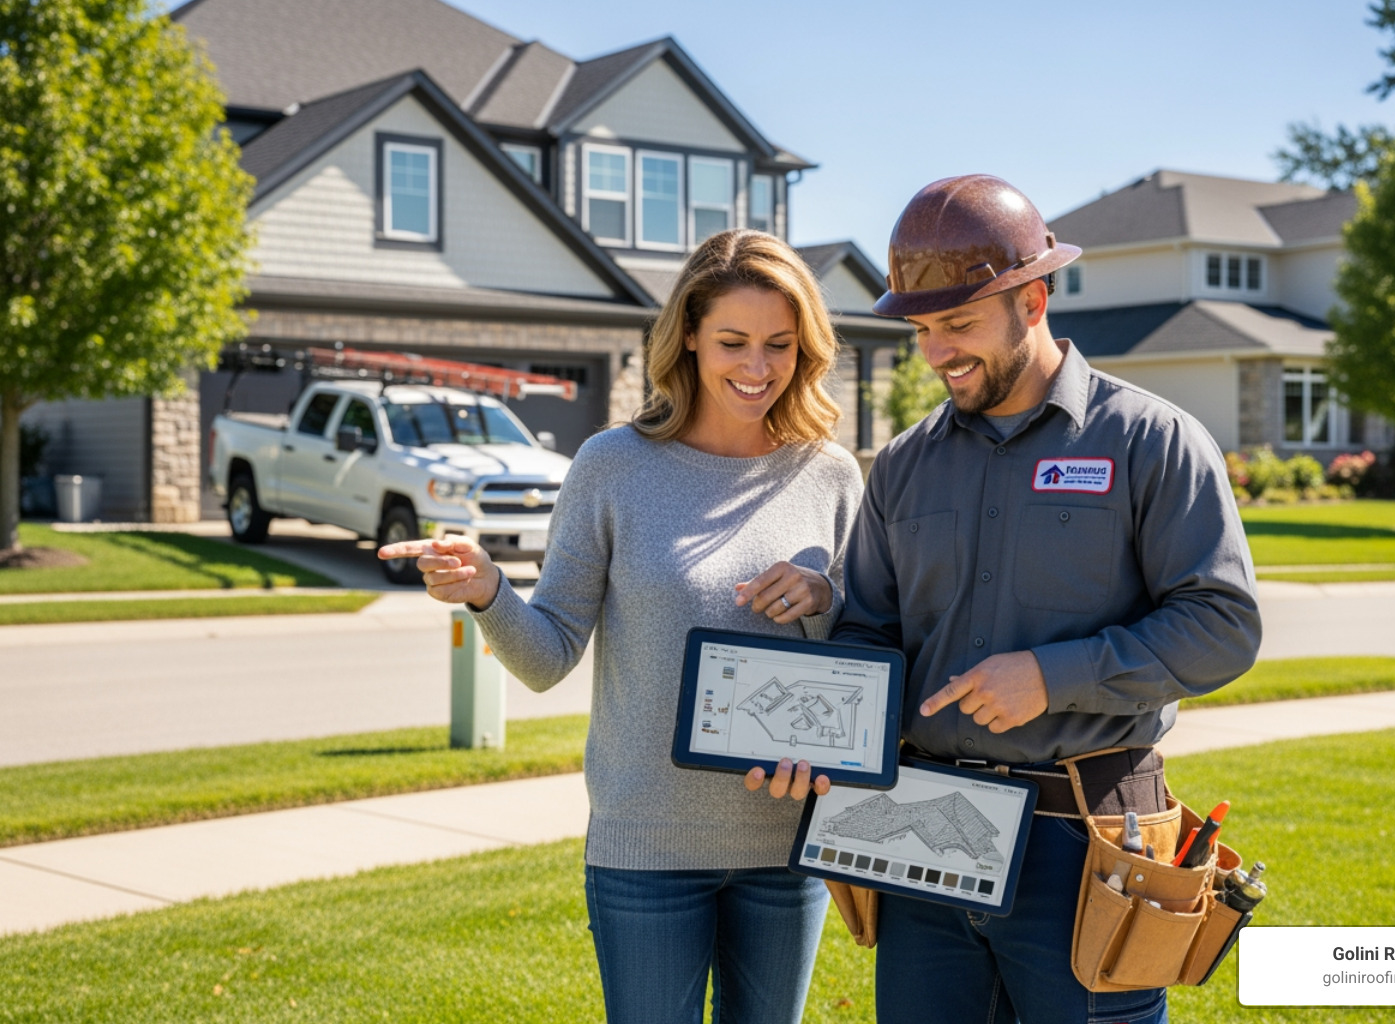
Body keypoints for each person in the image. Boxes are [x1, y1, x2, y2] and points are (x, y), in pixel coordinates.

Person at [378, 229, 865, 1024]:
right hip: (647, 848)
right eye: (733, 342)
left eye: (779, 344)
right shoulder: (612, 466)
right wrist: (490, 591)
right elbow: (547, 657)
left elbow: (863, 657)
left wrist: (823, 599)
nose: (757, 366)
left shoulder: (830, 475)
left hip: (787, 842)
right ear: (689, 337)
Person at [830, 175, 1263, 1024]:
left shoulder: (1151, 441)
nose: (936, 353)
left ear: (1033, 300)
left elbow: (1222, 626)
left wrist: (1052, 675)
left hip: (1086, 846)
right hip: (920, 831)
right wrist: (825, 726)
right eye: (921, 330)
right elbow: (868, 627)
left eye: (959, 324)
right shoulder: (906, 464)